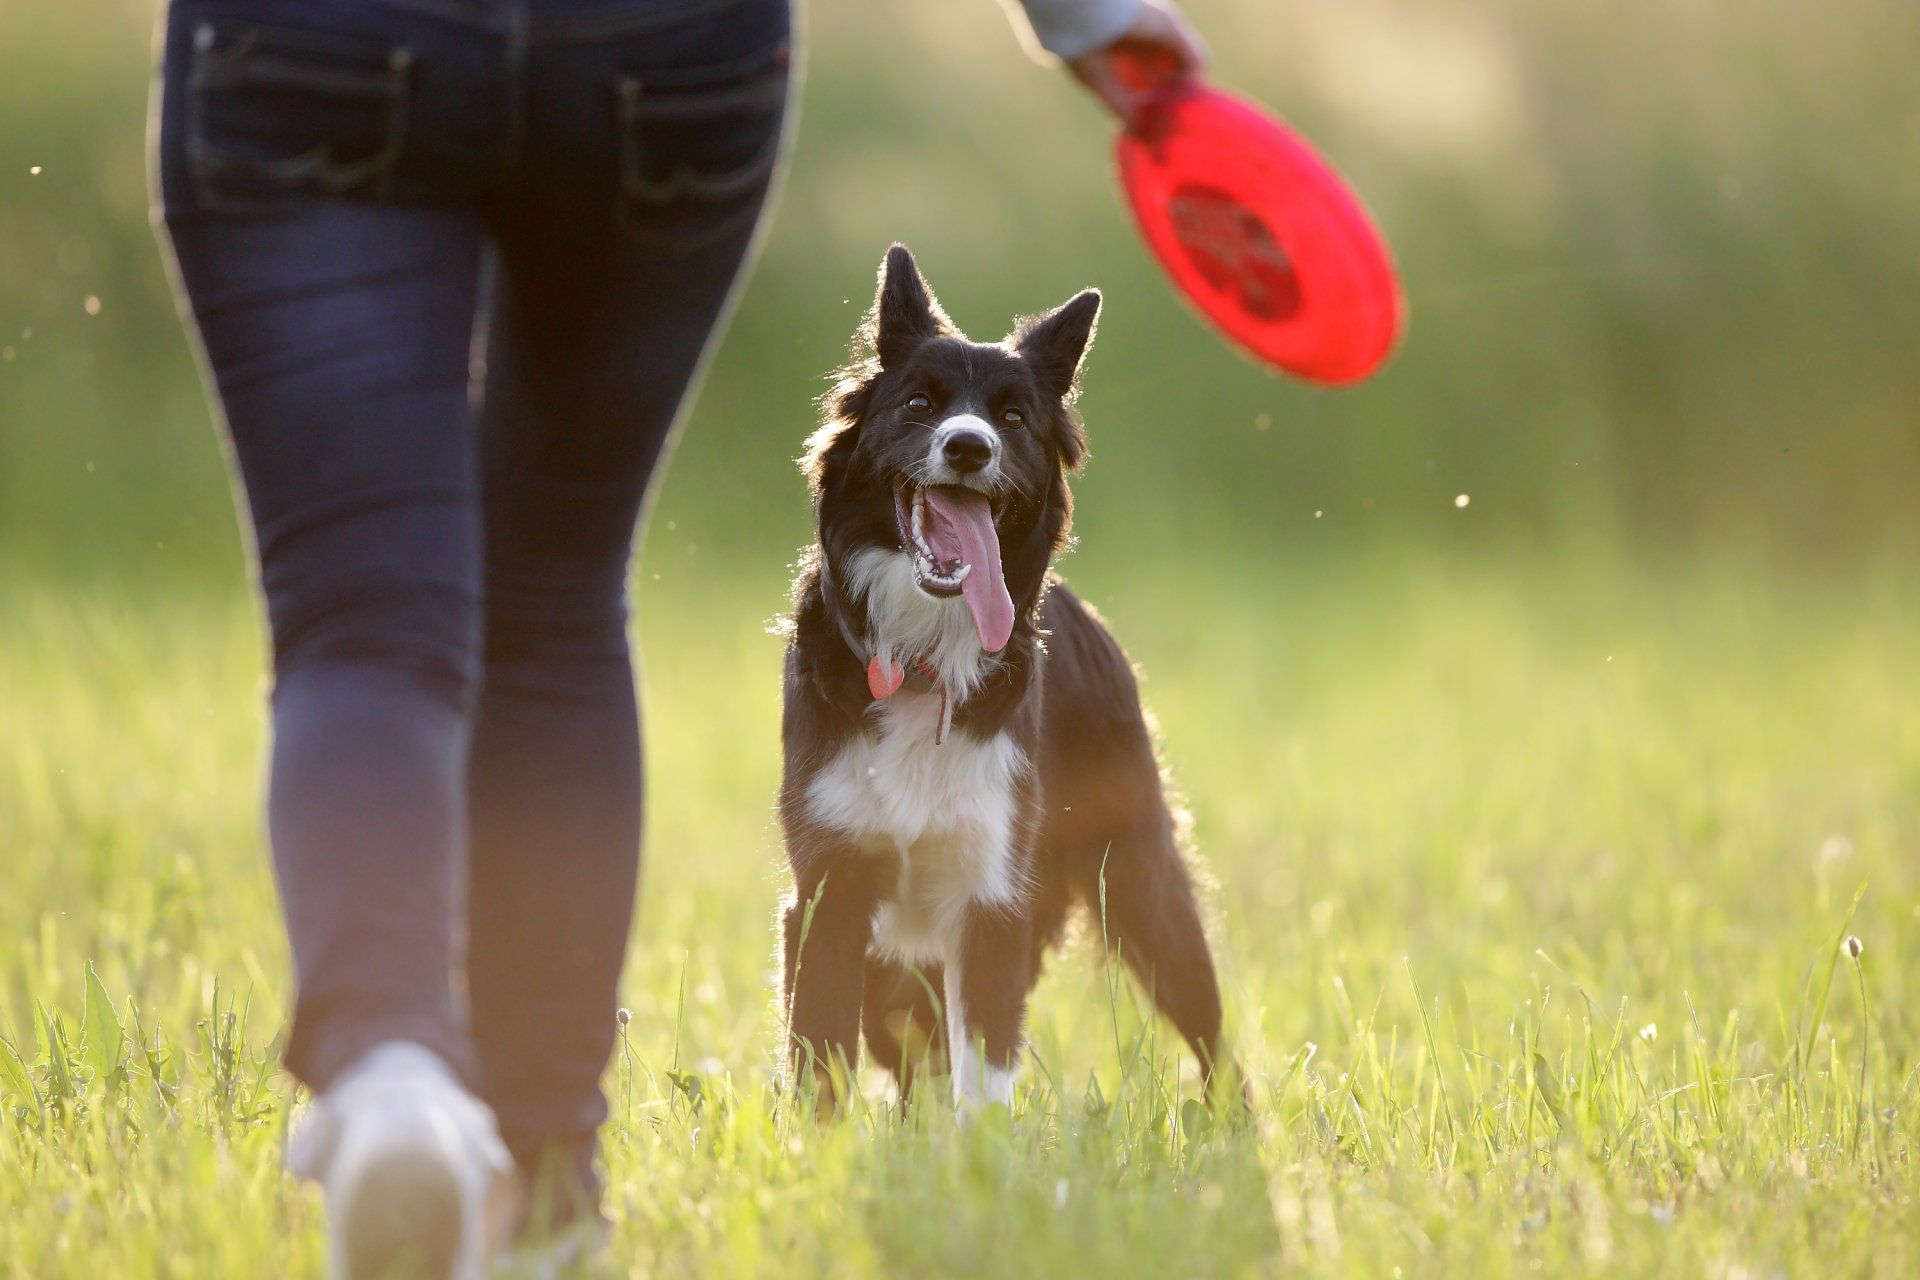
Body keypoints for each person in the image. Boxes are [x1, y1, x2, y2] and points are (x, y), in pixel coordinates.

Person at [150, 0, 1207, 1274]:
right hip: (662, 53)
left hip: (318, 42)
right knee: (552, 608)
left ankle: (385, 1076)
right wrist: (1088, 16)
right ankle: (546, 1180)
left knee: (362, 623)